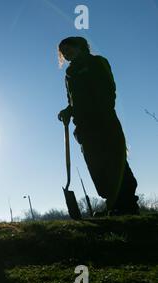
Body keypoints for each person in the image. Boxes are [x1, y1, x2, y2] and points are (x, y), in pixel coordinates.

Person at [57, 36, 139, 216]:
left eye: (69, 48)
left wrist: (98, 113)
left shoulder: (97, 63)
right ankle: (113, 203)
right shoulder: (69, 75)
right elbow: (73, 102)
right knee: (96, 165)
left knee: (114, 161)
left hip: (103, 122)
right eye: (63, 52)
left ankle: (128, 204)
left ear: (80, 47)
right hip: (84, 128)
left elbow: (109, 90)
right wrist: (68, 111)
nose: (66, 53)